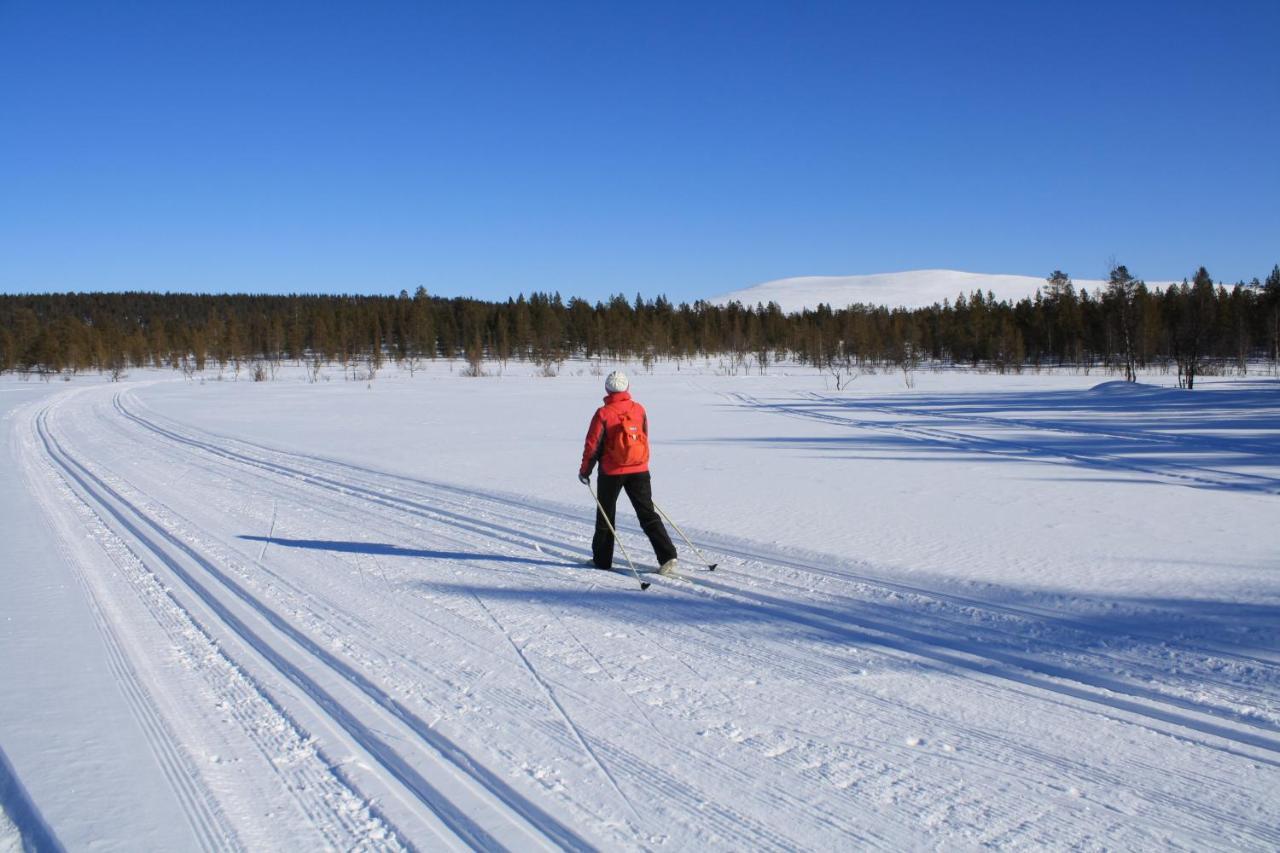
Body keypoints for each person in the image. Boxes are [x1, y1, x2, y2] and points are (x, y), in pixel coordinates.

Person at [578, 371, 679, 575]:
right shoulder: (639, 409)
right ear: (627, 388)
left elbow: (592, 445)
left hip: (611, 471)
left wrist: (585, 470)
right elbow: (644, 435)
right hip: (640, 469)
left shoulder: (603, 413)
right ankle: (667, 556)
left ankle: (602, 560)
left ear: (607, 389)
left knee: (606, 515)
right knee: (647, 513)